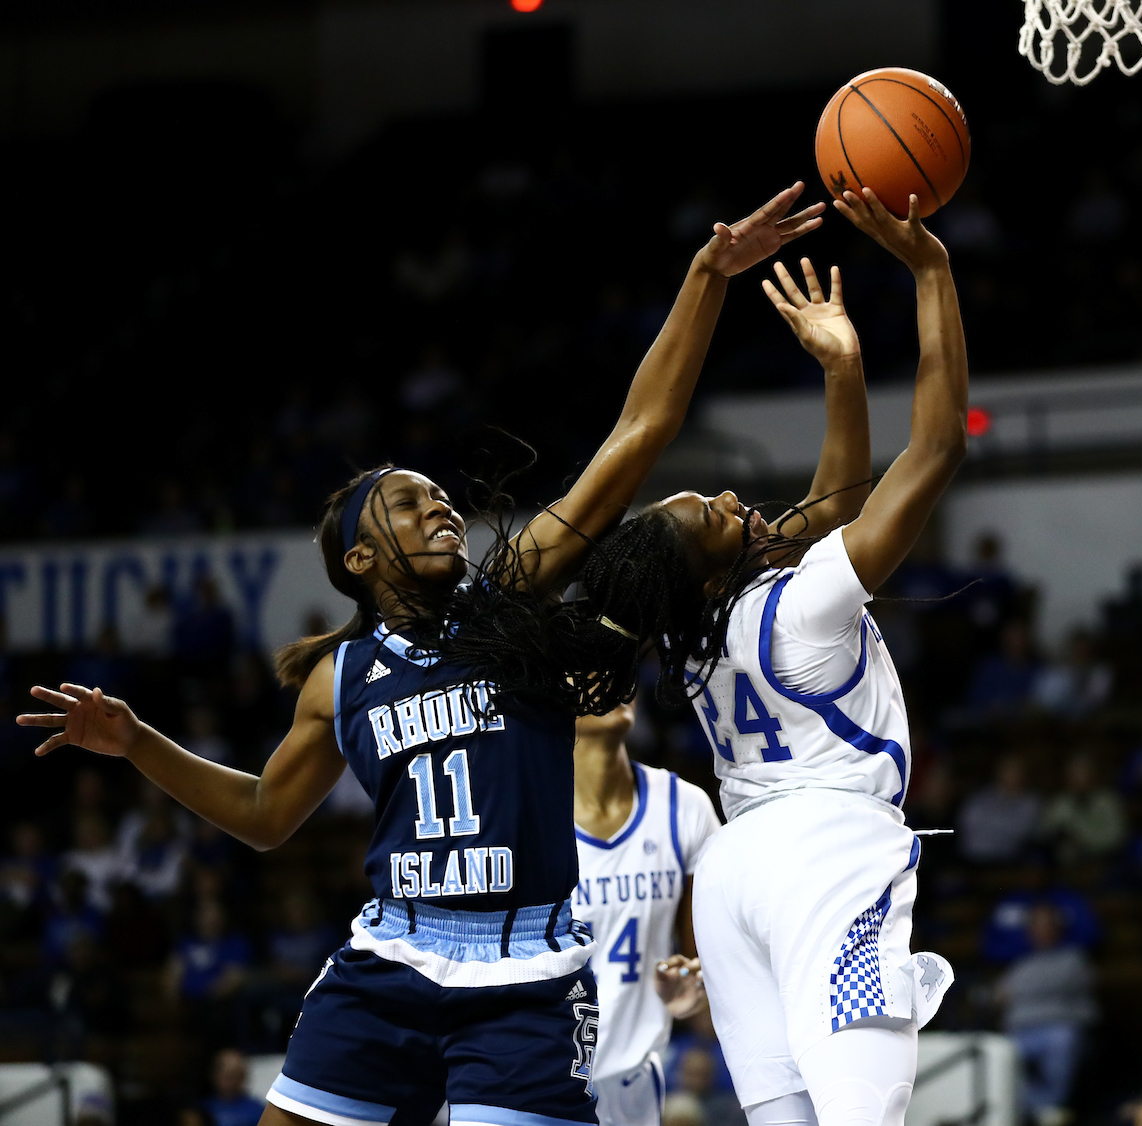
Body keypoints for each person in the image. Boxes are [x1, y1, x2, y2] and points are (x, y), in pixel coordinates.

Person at [18, 182, 825, 1126]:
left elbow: (637, 435)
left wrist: (705, 277)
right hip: (391, 960)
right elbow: (267, 813)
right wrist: (138, 742)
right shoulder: (341, 678)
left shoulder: (509, 596)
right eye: (410, 503)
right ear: (360, 559)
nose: (440, 507)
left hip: (528, 975)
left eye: (442, 497)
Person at [579, 187, 967, 1126]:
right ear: (714, 568)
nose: (726, 497)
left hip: (734, 877)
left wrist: (841, 370)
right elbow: (938, 450)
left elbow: (828, 512)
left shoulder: (695, 633)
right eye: (711, 515)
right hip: (825, 857)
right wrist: (932, 275)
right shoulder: (798, 603)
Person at [573, 701, 720, 1126]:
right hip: (543, 1076)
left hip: (641, 1077)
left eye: (618, 665)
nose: (609, 677)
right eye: (585, 666)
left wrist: (695, 991)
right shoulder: (527, 814)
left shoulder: (684, 807)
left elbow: (710, 965)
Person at [996, 902, 1096, 1126]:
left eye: (1047, 924)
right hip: (1020, 1032)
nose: (1042, 930)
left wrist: (1019, 991)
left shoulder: (1073, 958)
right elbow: (999, 994)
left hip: (1057, 1028)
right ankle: (1041, 1108)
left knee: (1063, 1040)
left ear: (1058, 927)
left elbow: (1057, 983)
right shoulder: (1020, 964)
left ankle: (1051, 1105)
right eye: (1036, 925)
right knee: (1002, 1053)